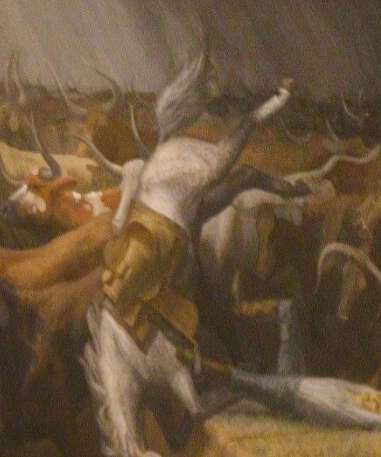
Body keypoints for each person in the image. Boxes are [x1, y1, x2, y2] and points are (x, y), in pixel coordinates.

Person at [102, 51, 295, 349]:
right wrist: (279, 100)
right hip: (167, 235)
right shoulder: (210, 165)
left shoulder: (170, 150)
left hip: (141, 222)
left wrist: (121, 218)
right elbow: (248, 125)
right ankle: (206, 347)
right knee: (200, 294)